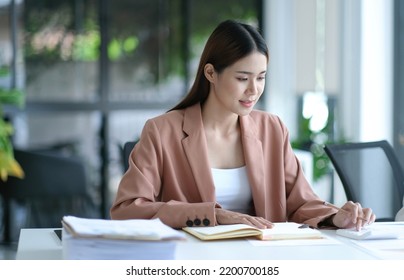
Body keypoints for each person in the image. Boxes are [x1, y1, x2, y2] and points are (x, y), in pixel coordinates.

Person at [110, 19, 376, 231]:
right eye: (242, 78)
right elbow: (127, 210)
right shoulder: (162, 131)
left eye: (261, 77)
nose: (253, 90)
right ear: (211, 73)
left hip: (263, 259)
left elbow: (301, 202)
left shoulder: (272, 129)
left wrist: (335, 217)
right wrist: (214, 216)